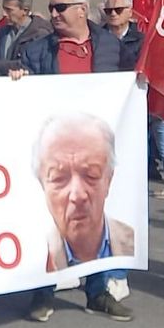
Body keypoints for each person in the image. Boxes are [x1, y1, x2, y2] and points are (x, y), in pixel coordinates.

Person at [16, 0, 131, 322]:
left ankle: (97, 291)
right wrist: (18, 78)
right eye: (51, 8)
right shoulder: (37, 50)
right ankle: (43, 292)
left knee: (95, 219)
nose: (54, 14)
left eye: (61, 7)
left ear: (82, 8)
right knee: (51, 220)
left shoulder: (110, 45)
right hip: (54, 150)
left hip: (96, 148)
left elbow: (125, 84)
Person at [36, 114, 137, 268]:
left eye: (91, 175)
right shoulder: (32, 255)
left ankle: (107, 281)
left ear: (109, 180)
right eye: (59, 178)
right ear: (42, 184)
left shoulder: (133, 242)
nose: (77, 195)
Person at [0, 0, 52, 72]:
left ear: (25, 10)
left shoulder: (40, 35)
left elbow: (28, 65)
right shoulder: (0, 33)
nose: (4, 14)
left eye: (9, 10)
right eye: (3, 9)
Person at [101, 0, 144, 71]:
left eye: (118, 10)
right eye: (108, 11)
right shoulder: (97, 37)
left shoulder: (142, 37)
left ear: (130, 12)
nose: (113, 14)